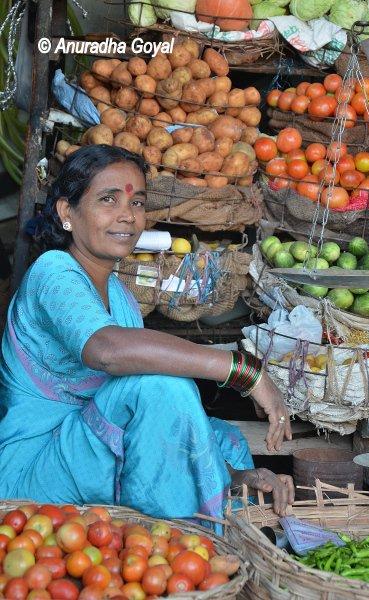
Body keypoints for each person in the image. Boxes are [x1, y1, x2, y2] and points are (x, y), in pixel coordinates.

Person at [0, 145, 294, 526]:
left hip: (84, 450)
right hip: (32, 476)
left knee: (218, 438)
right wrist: (246, 371)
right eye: (109, 199)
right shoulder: (52, 272)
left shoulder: (120, 299)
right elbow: (106, 351)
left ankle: (204, 524)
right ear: (66, 212)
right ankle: (182, 542)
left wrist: (233, 477)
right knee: (163, 390)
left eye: (137, 203)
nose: (127, 216)